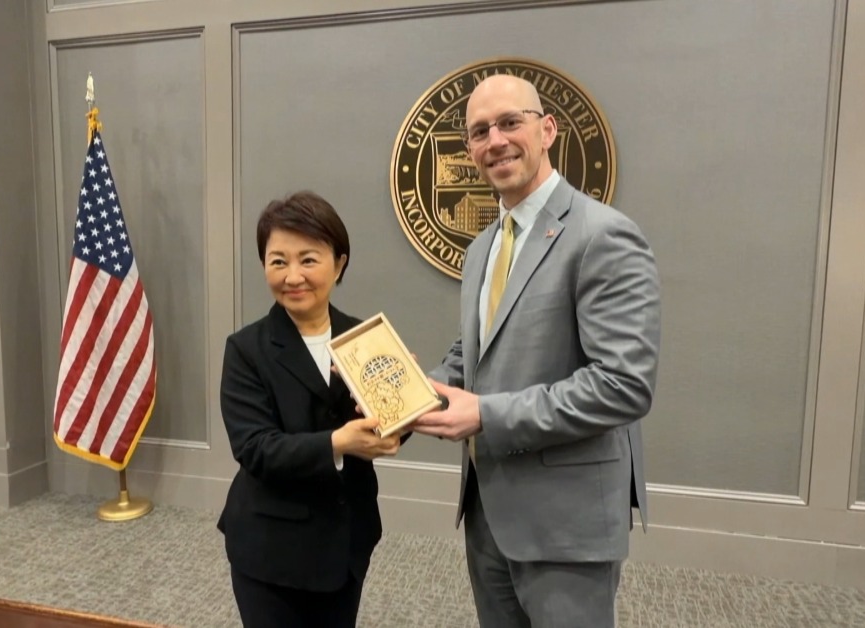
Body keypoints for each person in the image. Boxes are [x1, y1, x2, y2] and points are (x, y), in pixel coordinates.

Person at [413, 74, 662, 628]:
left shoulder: (603, 235)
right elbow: (476, 350)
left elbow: (623, 386)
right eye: (480, 131)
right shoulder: (483, 247)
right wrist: (413, 392)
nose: (495, 141)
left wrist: (486, 414)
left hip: (566, 523)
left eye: (510, 122)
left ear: (547, 130)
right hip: (488, 514)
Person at [217, 191, 405, 627]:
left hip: (347, 539)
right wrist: (338, 443)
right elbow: (256, 449)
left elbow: (388, 423)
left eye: (308, 260)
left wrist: (404, 393)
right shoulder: (246, 349)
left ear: (338, 264)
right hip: (271, 548)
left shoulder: (365, 337)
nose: (292, 276)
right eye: (278, 261)